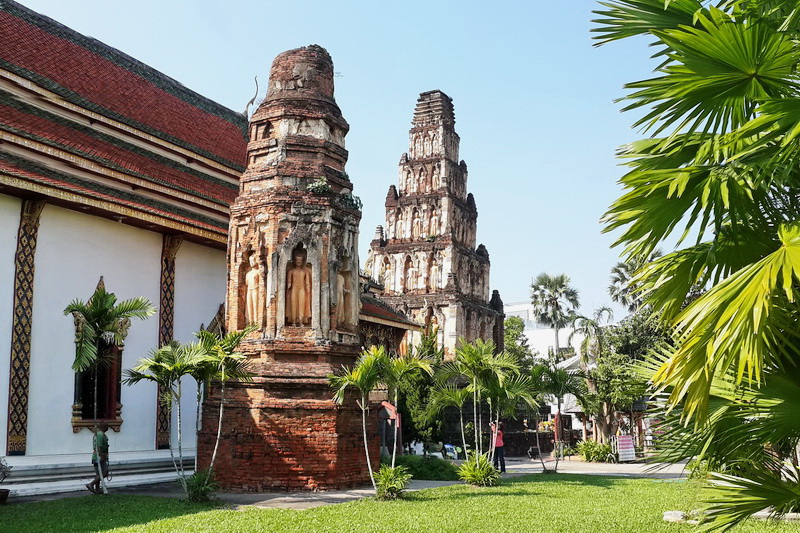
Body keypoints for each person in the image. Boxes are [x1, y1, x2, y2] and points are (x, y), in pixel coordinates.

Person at [86, 422, 109, 494]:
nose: (108, 427)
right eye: (107, 425)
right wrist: (101, 455)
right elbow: (99, 446)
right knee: (104, 473)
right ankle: (91, 484)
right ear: (104, 426)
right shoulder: (100, 434)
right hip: (99, 456)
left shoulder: (99, 434)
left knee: (98, 473)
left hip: (97, 456)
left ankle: (97, 489)